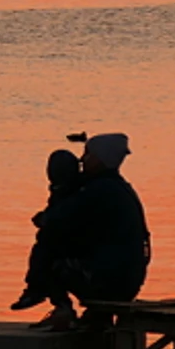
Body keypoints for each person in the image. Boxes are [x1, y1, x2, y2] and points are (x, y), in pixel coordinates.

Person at [27, 131, 148, 329]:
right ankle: (95, 316)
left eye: (88, 155)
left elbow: (57, 222)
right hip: (128, 280)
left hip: (108, 282)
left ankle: (61, 308)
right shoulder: (117, 188)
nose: (82, 160)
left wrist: (57, 192)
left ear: (100, 160)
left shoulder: (98, 191)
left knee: (51, 250)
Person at [9, 147, 84, 313]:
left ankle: (40, 293)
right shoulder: (61, 190)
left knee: (47, 249)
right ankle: (44, 295)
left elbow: (68, 219)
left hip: (82, 252)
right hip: (72, 248)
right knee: (46, 243)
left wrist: (48, 220)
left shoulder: (77, 191)